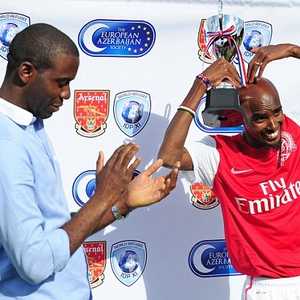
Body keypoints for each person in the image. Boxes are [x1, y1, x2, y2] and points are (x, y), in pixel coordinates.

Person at [0, 23, 179, 299]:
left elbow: (54, 232)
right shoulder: (7, 144)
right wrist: (101, 198)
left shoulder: (28, 127)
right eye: (61, 82)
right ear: (26, 72)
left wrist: (121, 203)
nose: (67, 94)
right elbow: (34, 263)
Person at [158, 43, 300, 300]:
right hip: (270, 289)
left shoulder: (293, 131)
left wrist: (292, 50)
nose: (273, 125)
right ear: (241, 118)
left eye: (276, 113)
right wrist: (200, 85)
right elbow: (169, 156)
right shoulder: (221, 155)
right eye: (259, 118)